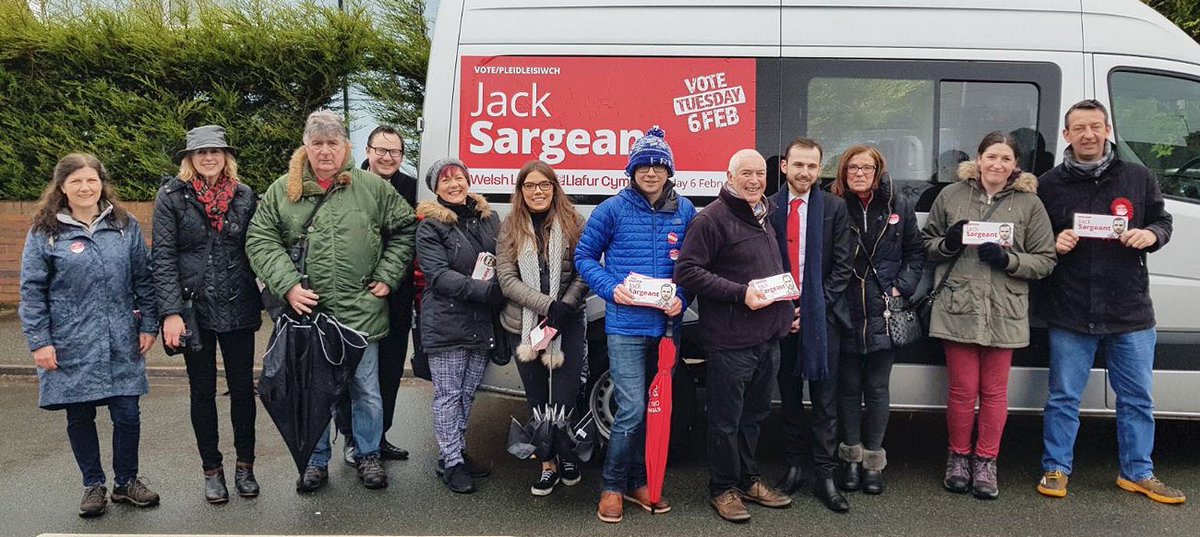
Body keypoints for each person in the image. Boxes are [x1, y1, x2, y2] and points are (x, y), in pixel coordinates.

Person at [247, 110, 416, 493]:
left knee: (366, 390)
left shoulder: (372, 188)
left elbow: (405, 229)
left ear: (346, 147)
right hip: (311, 315)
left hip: (361, 311)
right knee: (314, 390)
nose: (325, 151)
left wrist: (388, 276)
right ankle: (315, 460)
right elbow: (260, 239)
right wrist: (288, 284)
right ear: (306, 147)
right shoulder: (282, 190)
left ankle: (368, 454)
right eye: (318, 143)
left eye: (333, 143)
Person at [1036, 100, 1184, 504]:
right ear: (1066, 135)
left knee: (1137, 398)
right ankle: (1056, 468)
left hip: (1129, 309)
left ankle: (1138, 472)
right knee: (1063, 397)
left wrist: (1151, 235)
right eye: (1079, 128)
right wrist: (1052, 242)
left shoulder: (1138, 177)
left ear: (1107, 131)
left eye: (1096, 126)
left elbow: (1163, 221)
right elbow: (1032, 238)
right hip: (1070, 308)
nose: (1088, 134)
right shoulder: (1049, 184)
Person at [19, 153, 160, 517]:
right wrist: (41, 342)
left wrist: (147, 325)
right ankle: (93, 485)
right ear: (62, 187)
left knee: (127, 413)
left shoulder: (124, 226)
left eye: (91, 180)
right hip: (69, 341)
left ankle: (126, 481)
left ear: (101, 183)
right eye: (76, 181)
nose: (85, 187)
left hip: (121, 338)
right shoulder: (45, 232)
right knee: (80, 416)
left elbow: (144, 279)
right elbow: (32, 291)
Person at [923, 131, 1055, 499]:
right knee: (962, 391)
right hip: (959, 306)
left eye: (1006, 159)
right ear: (978, 159)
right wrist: (948, 243)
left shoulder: (1030, 204)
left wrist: (1008, 259)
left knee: (995, 392)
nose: (997, 164)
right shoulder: (950, 195)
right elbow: (926, 245)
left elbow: (1046, 259)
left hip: (1005, 308)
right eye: (991, 157)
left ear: (1016, 165)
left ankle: (986, 461)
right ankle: (958, 458)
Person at [575, 126, 694, 523]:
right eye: (643, 165)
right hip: (625, 326)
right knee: (631, 408)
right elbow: (585, 258)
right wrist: (611, 289)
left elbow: (694, 267)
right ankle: (612, 486)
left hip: (666, 330)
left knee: (656, 409)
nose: (651, 172)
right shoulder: (611, 209)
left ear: (669, 171)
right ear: (632, 170)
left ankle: (640, 480)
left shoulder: (686, 210)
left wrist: (683, 298)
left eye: (659, 165)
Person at [675, 149, 794, 523]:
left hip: (767, 339)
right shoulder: (711, 219)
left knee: (754, 416)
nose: (755, 180)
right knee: (726, 421)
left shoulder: (764, 215)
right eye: (746, 173)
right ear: (729, 175)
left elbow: (769, 271)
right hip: (731, 341)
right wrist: (740, 293)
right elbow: (688, 272)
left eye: (760, 173)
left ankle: (748, 479)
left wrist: (786, 309)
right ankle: (722, 488)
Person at [153, 125, 262, 503]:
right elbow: (163, 257)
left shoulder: (247, 197)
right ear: (189, 159)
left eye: (215, 151)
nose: (209, 158)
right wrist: (170, 312)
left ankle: (245, 467)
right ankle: (211, 470)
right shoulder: (172, 197)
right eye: (201, 153)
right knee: (201, 392)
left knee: (243, 391)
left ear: (226, 156)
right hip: (192, 308)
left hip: (239, 304)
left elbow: (261, 247)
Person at [766, 138, 854, 512]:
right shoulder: (767, 207)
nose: (805, 173)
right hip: (780, 317)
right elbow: (762, 264)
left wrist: (813, 308)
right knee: (788, 398)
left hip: (822, 320)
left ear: (820, 169)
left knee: (825, 401)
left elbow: (843, 266)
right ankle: (794, 467)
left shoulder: (834, 208)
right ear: (784, 166)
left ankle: (825, 475)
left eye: (812, 166)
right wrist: (788, 309)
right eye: (798, 165)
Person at [830, 144, 922, 496]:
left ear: (878, 170)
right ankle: (849, 460)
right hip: (846, 309)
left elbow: (915, 253)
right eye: (852, 167)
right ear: (843, 171)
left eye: (866, 168)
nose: (859, 173)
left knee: (879, 390)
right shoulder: (834, 204)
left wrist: (902, 287)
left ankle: (873, 464)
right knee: (849, 390)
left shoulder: (899, 205)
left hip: (884, 310)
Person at [496, 160, 590, 496]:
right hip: (525, 326)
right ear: (521, 191)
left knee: (564, 399)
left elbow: (585, 270)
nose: (538, 192)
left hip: (568, 324)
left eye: (544, 185)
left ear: (554, 188)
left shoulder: (573, 221)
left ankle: (567, 456)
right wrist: (549, 307)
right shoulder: (511, 226)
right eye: (530, 186)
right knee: (538, 400)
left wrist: (566, 306)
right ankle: (546, 464)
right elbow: (506, 279)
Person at [415, 157, 504, 494]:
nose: (454, 184)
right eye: (445, 180)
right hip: (448, 320)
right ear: (436, 189)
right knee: (449, 395)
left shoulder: (488, 218)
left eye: (458, 177)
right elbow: (438, 276)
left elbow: (502, 257)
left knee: (467, 394)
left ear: (468, 180)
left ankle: (456, 452)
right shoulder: (430, 226)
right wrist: (485, 291)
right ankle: (450, 461)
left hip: (481, 320)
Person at [337, 125, 420, 465]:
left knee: (388, 372)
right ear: (367, 151)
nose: (388, 157)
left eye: (395, 152)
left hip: (396, 298)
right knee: (352, 376)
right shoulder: (348, 185)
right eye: (381, 150)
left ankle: (379, 436)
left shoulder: (413, 190)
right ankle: (352, 439)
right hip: (355, 298)